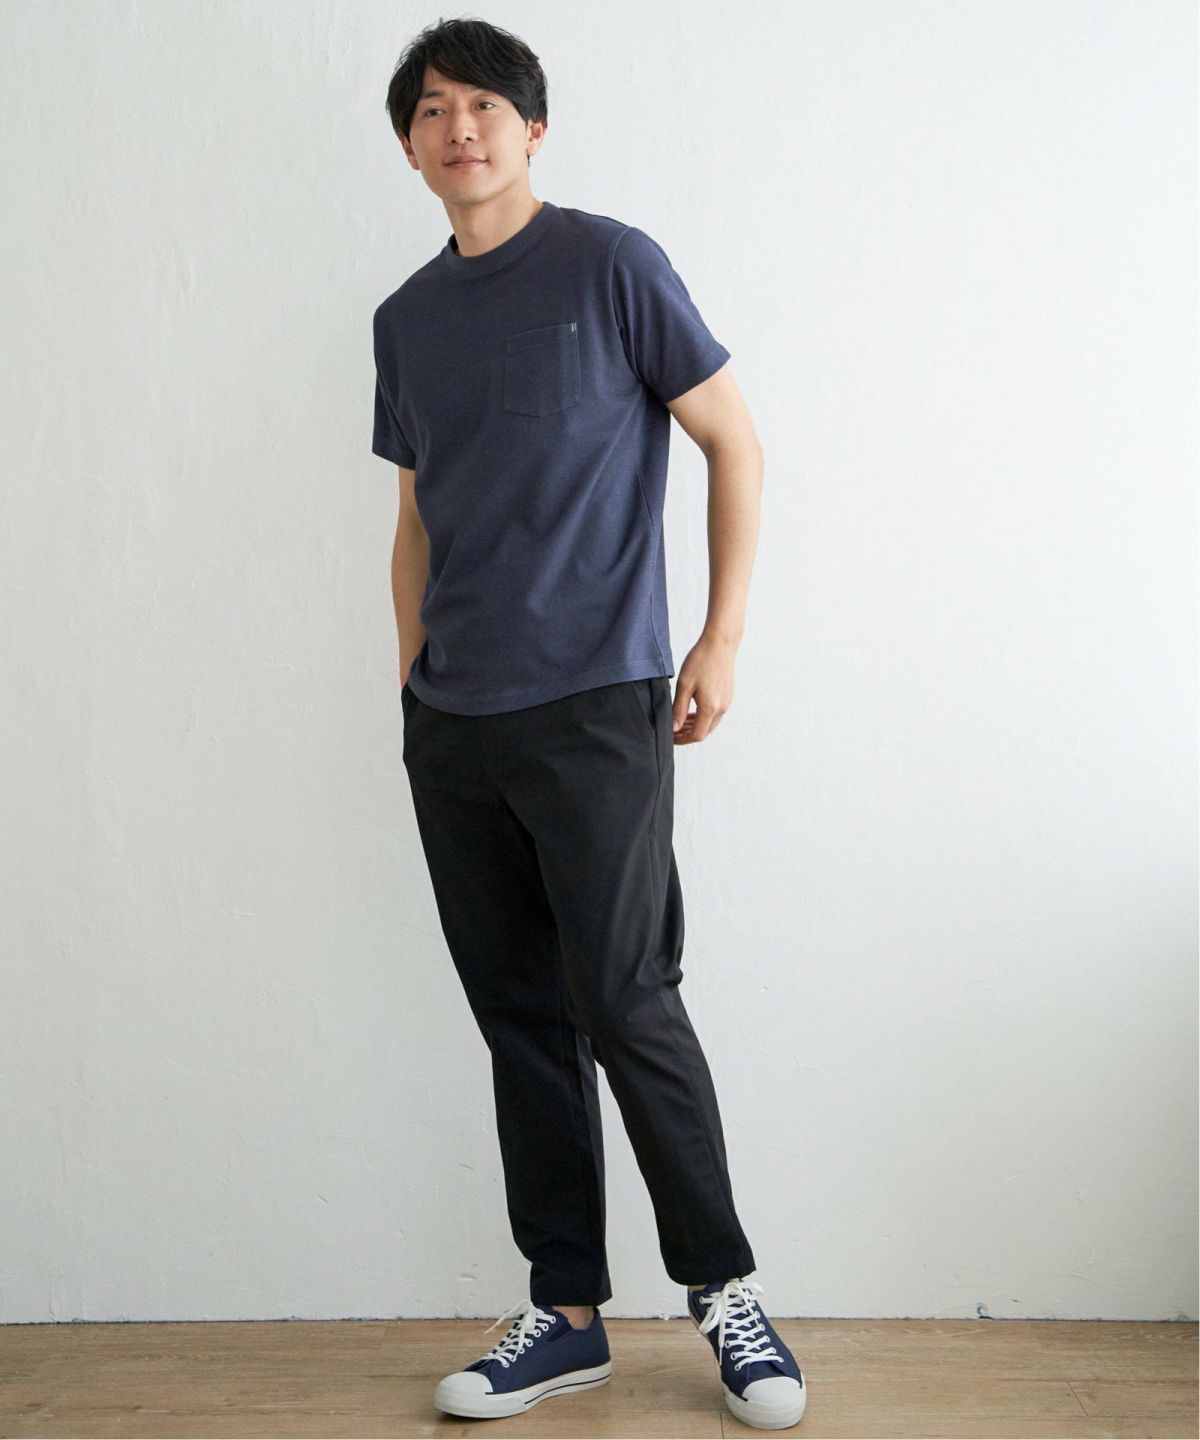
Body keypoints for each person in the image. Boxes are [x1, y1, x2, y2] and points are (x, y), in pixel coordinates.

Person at [372, 17, 805, 1431]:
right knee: (518, 1019)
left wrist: (719, 639)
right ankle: (565, 1314)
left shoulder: (613, 266)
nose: (460, 129)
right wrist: (411, 674)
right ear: (410, 146)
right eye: (432, 110)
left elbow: (733, 438)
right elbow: (415, 516)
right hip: (455, 725)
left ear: (533, 129)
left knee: (626, 1000)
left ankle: (724, 1290)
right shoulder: (404, 320)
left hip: (597, 705)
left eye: (483, 105)